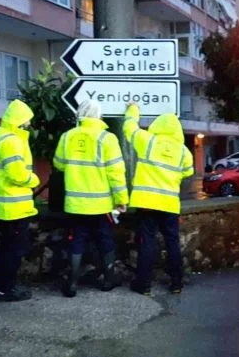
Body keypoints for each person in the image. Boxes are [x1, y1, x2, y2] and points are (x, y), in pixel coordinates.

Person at [54, 100, 128, 298]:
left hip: (75, 204)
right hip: (101, 205)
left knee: (76, 240)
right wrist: (121, 199)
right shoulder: (107, 138)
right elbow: (116, 173)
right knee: (105, 240)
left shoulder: (67, 136)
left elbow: (59, 164)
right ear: (99, 115)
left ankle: (71, 283)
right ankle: (108, 280)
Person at [123, 102, 194, 295]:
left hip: (146, 202)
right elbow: (189, 171)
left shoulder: (148, 141)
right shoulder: (184, 152)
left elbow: (129, 127)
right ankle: (176, 284)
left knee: (147, 241)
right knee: (172, 242)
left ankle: (143, 285)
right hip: (169, 203)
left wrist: (132, 109)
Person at [0, 99, 41, 303]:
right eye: (28, 121)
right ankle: (6, 290)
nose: (29, 125)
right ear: (20, 121)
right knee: (14, 250)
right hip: (12, 205)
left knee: (6, 247)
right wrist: (34, 179)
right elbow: (16, 173)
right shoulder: (12, 140)